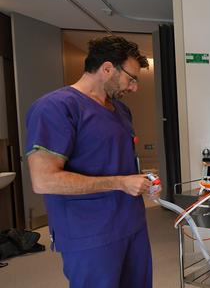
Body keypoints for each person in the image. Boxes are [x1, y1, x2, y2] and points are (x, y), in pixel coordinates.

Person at [25, 35, 159, 288]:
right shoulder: (55, 108)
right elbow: (44, 180)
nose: (134, 87)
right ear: (107, 68)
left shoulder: (121, 111)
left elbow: (115, 161)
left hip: (131, 224)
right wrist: (120, 183)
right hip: (90, 233)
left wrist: (141, 181)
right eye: (131, 78)